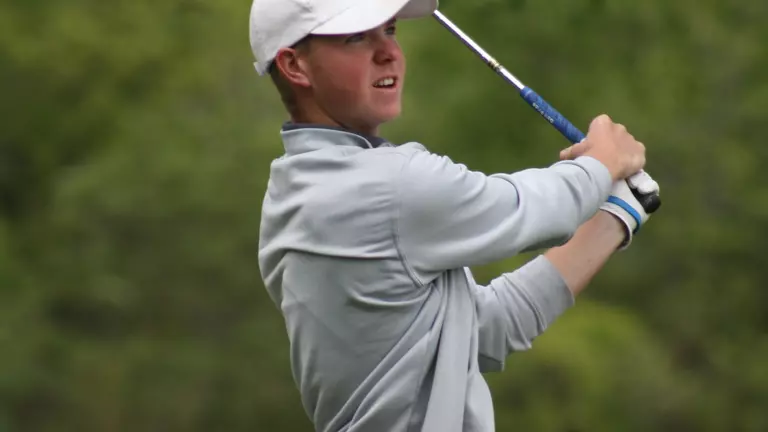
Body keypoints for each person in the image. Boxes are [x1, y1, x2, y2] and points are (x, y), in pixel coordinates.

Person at [250, 0, 661, 431]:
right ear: (295, 66)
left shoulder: (292, 190)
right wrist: (603, 159)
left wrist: (616, 213)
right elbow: (537, 209)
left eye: (389, 30)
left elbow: (482, 331)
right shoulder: (387, 185)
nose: (387, 52)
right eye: (356, 37)